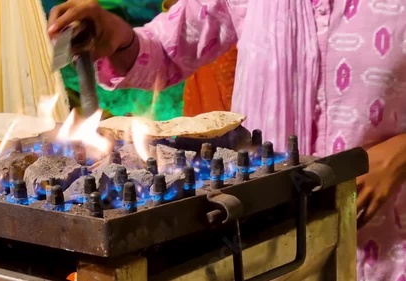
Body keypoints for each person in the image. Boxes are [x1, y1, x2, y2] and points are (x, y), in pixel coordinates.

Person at [47, 0, 406, 280]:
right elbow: (168, 50)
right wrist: (117, 37)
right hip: (270, 241)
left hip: (385, 240)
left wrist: (400, 154)